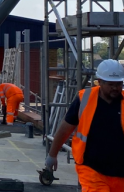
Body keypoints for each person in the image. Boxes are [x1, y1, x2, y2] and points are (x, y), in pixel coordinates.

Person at [46, 59, 124, 191]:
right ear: (99, 82)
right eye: (111, 84)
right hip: (91, 169)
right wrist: (52, 154)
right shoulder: (84, 99)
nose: (116, 88)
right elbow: (65, 128)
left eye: (119, 84)